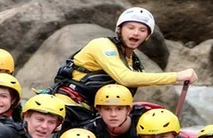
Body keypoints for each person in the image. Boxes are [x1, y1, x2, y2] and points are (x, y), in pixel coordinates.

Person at [47, 7, 197, 111]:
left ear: (147, 37)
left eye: (142, 30)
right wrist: (176, 77)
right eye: (131, 28)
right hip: (68, 106)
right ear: (119, 29)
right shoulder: (102, 44)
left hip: (94, 112)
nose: (136, 33)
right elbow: (125, 78)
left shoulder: (134, 62)